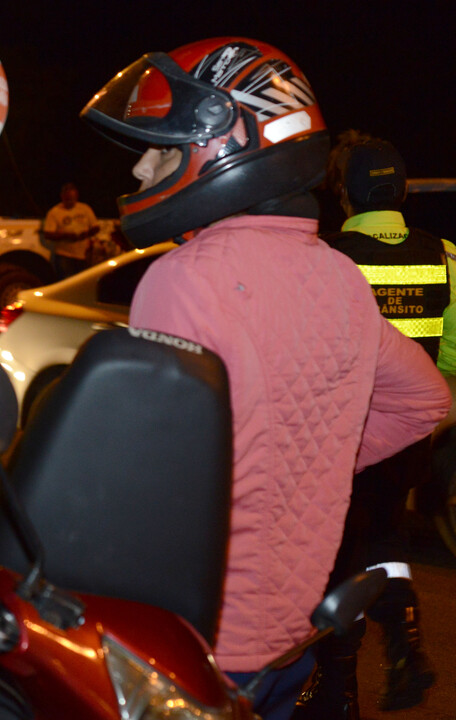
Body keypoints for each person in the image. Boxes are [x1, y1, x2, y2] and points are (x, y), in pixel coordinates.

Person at [80, 38, 449, 720]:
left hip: (197, 640)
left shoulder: (185, 279)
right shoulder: (337, 275)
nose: (138, 166)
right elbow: (427, 400)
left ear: (224, 149)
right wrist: (313, 459)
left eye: (159, 149)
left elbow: (147, 480)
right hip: (290, 642)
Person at [294, 133, 448, 719]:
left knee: (337, 559)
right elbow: (453, 357)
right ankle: (406, 645)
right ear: (402, 188)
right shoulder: (446, 255)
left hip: (343, 438)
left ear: (343, 193)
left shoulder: (326, 258)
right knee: (385, 540)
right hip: (408, 439)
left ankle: (337, 692)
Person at [41, 182, 99, 279]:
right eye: (67, 198)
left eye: (72, 198)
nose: (69, 201)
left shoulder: (84, 208)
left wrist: (85, 234)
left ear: (76, 196)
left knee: (83, 281)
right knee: (66, 281)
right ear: (62, 197)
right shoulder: (54, 212)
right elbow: (48, 234)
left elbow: (96, 227)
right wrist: (66, 236)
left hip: (84, 255)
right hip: (64, 256)